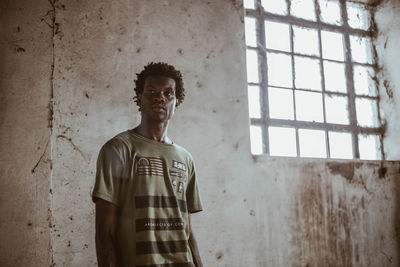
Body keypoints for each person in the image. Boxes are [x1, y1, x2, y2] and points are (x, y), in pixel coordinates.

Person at [92, 62, 203, 267]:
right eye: (151, 91)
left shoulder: (185, 158)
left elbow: (186, 228)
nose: (159, 97)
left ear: (176, 101)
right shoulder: (118, 149)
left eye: (168, 93)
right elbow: (105, 231)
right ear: (139, 98)